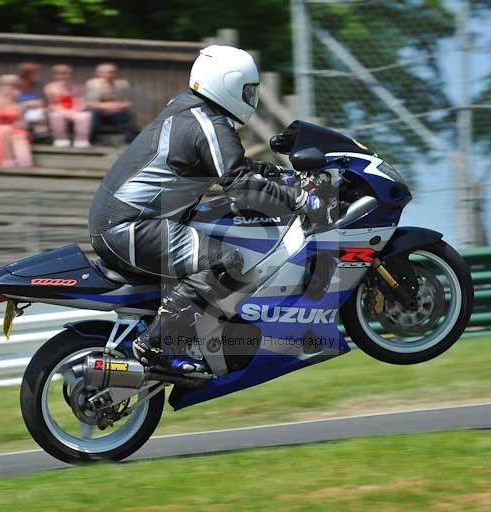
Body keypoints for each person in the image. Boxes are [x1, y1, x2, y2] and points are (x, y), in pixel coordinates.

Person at [88, 45, 325, 375]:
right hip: (131, 226)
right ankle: (159, 344)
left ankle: (201, 339)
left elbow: (233, 168)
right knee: (225, 259)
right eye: (248, 89)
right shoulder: (208, 123)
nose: (251, 97)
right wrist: (298, 198)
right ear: (226, 84)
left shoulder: (191, 111)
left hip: (124, 221)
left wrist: (277, 175)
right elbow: (241, 187)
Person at [0, 74, 33, 167]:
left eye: (13, 86)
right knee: (4, 130)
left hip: (15, 128)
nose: (10, 88)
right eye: (6, 85)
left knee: (19, 136)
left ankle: (24, 163)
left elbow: (21, 120)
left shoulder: (19, 101)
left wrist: (17, 104)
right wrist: (1, 101)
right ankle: (7, 161)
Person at [85, 63, 137, 144]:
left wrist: (119, 106)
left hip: (117, 112)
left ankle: (131, 142)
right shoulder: (92, 84)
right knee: (93, 115)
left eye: (112, 72)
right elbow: (89, 103)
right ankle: (92, 140)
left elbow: (128, 102)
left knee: (125, 116)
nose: (110, 74)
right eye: (107, 72)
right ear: (99, 73)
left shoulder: (122, 84)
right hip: (99, 112)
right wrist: (107, 106)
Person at [44, 64, 92, 148]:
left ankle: (81, 140)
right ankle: (60, 139)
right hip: (58, 110)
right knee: (55, 116)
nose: (65, 76)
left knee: (85, 116)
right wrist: (64, 111)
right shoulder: (50, 87)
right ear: (55, 75)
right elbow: (51, 104)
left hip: (74, 110)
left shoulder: (77, 87)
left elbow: (82, 102)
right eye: (61, 74)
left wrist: (76, 109)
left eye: (67, 73)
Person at [16, 62, 50, 141]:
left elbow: (43, 102)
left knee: (43, 112)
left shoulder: (39, 86)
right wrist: (27, 104)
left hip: (35, 110)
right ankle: (24, 134)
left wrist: (35, 104)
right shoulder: (16, 85)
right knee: (20, 108)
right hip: (20, 111)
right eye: (36, 73)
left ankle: (41, 134)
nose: (38, 75)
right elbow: (12, 101)